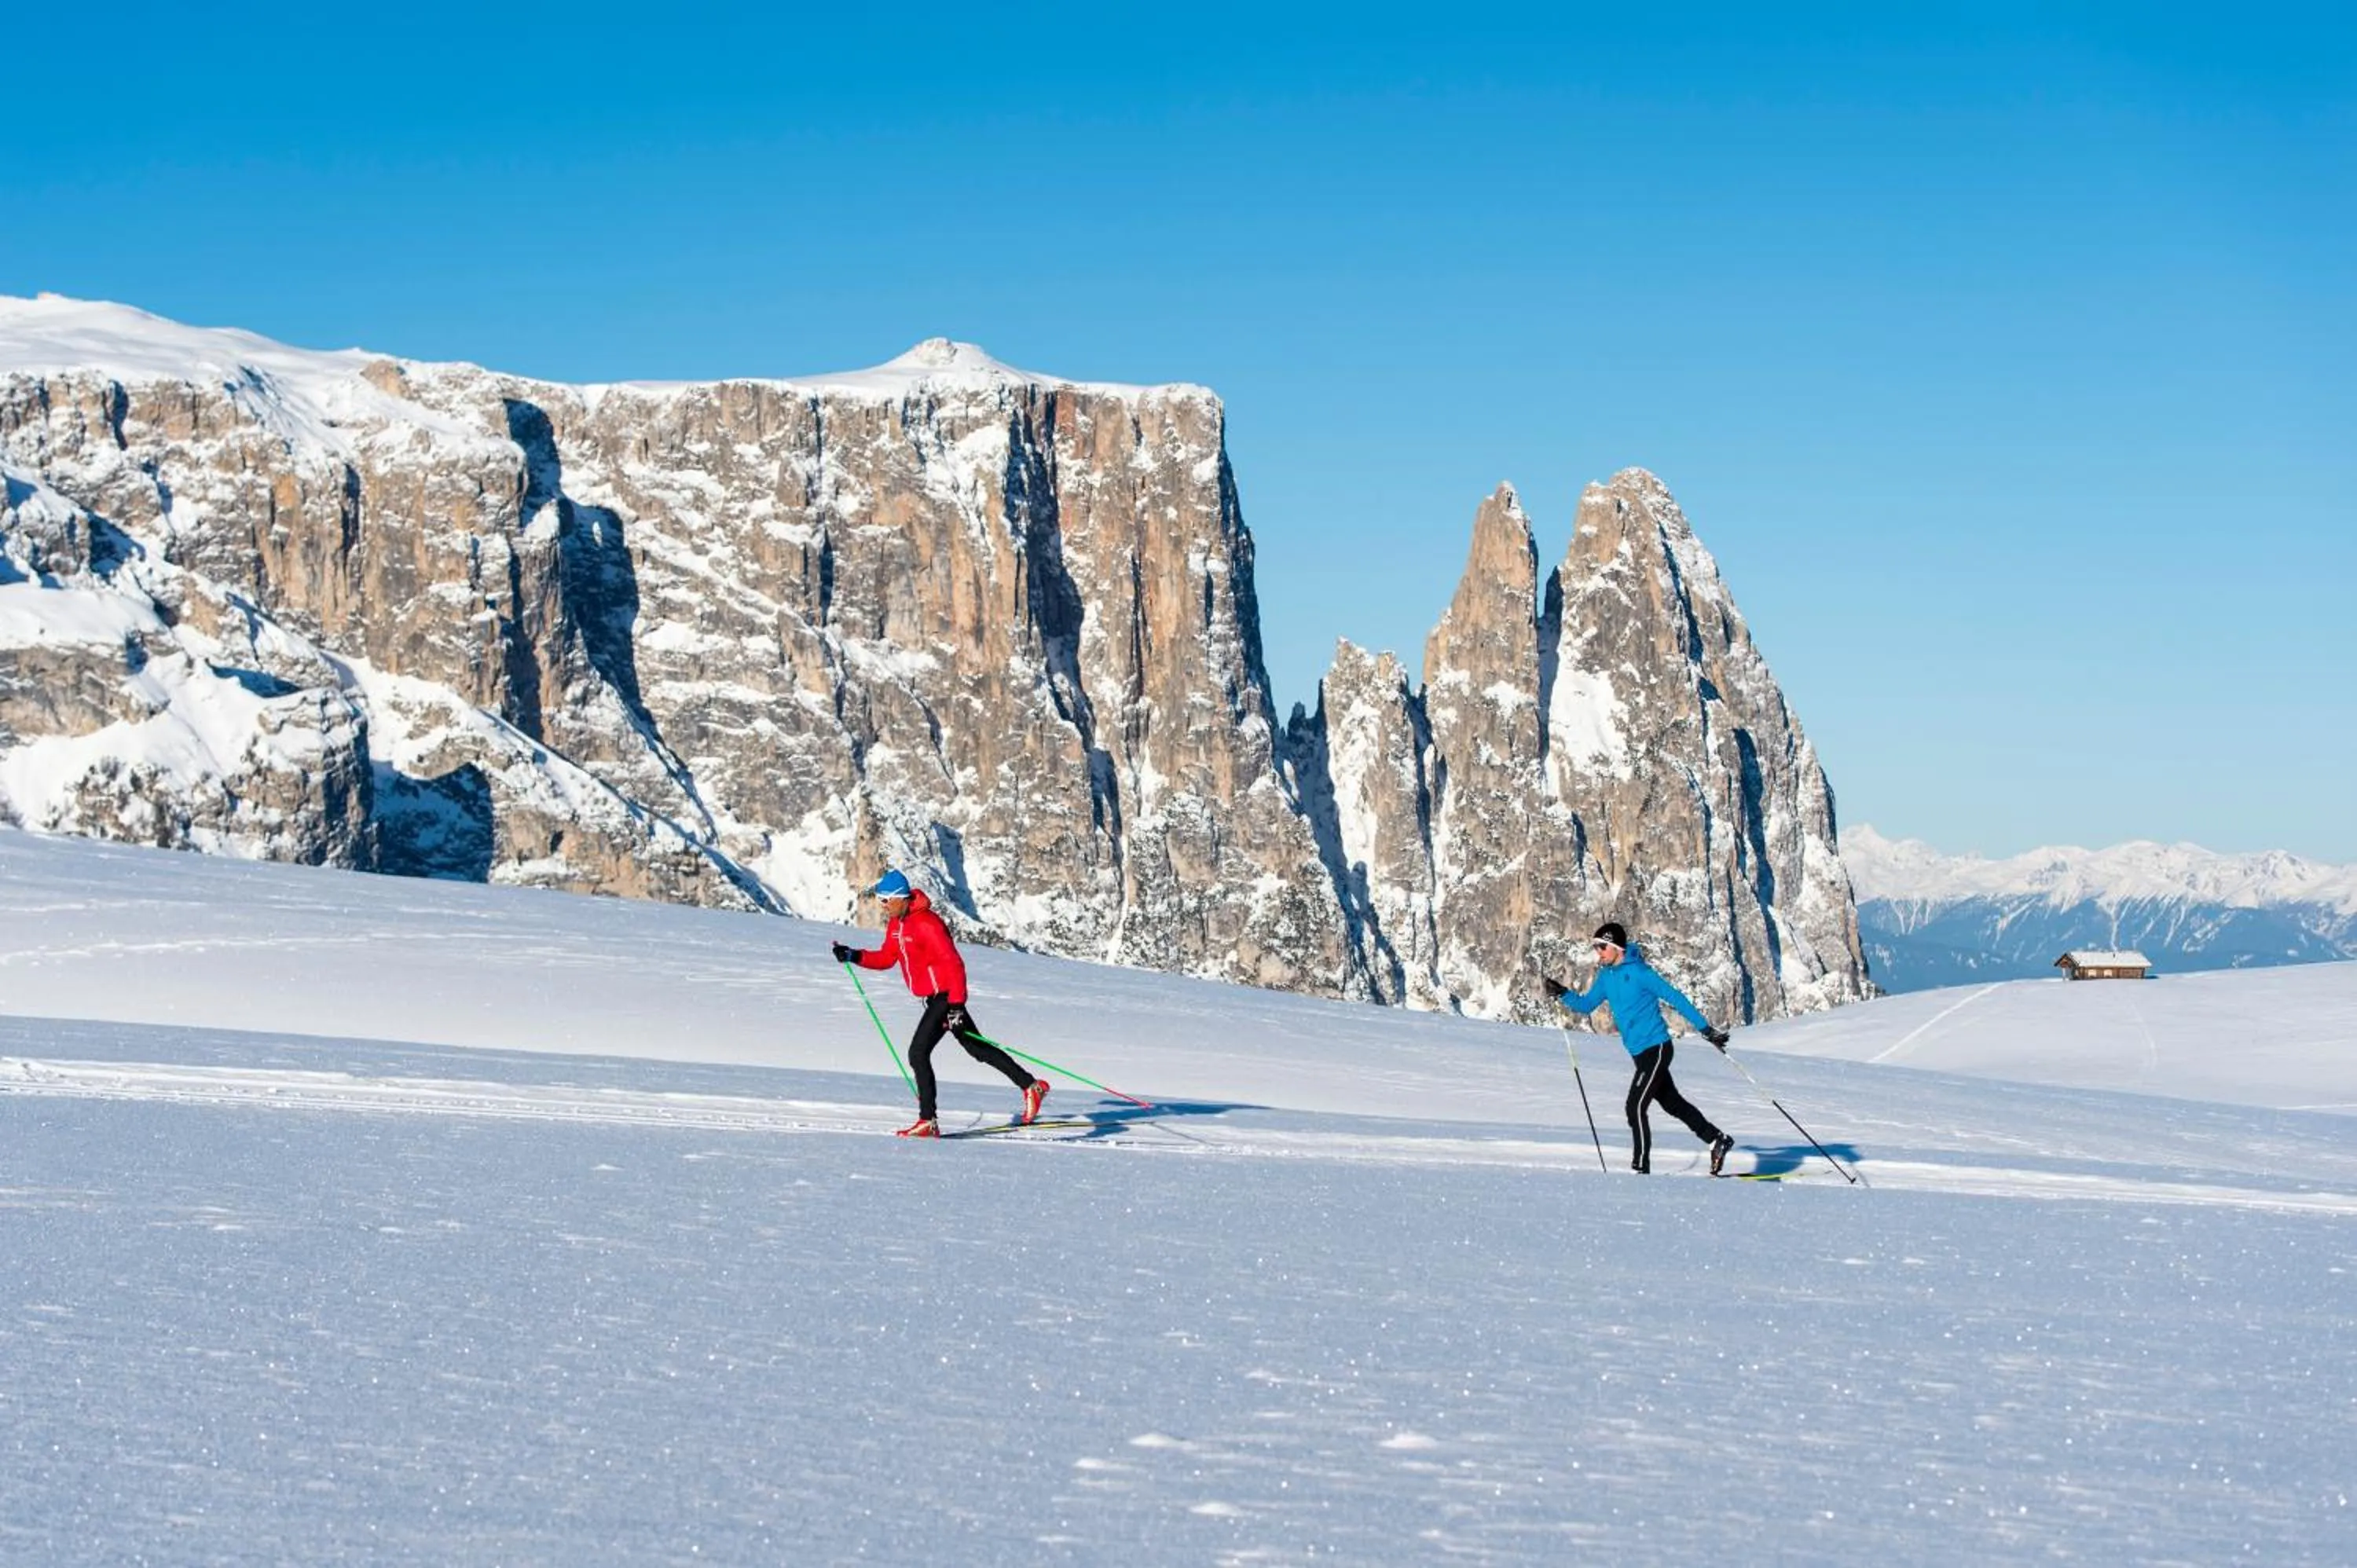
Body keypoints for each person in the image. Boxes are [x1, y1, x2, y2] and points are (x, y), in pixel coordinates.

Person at [832, 869, 1047, 1138]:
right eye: (880, 900)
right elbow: (887, 958)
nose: (882, 905)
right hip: (935, 999)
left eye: (886, 900)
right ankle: (1031, 1086)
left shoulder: (927, 924)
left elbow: (953, 964)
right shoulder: (897, 925)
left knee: (917, 1053)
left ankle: (927, 1120)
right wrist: (853, 955)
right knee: (977, 1048)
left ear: (902, 898)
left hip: (945, 996)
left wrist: (956, 1005)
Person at [1544, 922, 1736, 1176]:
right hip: (1638, 1053)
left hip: (1657, 1048)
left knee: (1635, 1107)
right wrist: (1562, 993)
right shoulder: (1607, 977)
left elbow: (1675, 998)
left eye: (1602, 946)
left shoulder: (1641, 973)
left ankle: (1640, 1169)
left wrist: (1706, 1029)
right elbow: (1586, 1005)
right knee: (1672, 1103)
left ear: (1617, 948)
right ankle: (1717, 1140)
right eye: (1596, 947)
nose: (1598, 952)